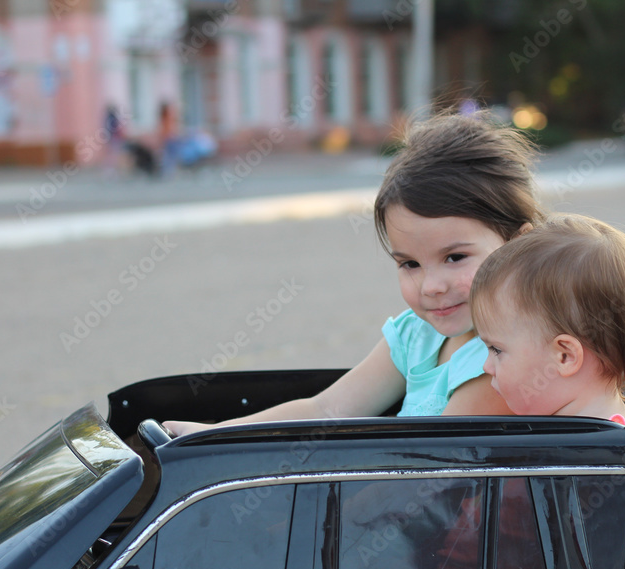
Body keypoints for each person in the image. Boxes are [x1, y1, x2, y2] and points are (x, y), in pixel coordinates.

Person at [163, 110, 543, 437]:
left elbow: (431, 466)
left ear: (518, 244)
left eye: (455, 257)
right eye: (410, 264)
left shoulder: (505, 360)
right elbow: (326, 409)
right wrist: (215, 435)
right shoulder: (417, 335)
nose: (431, 287)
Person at [470, 213, 625, 426]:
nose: (486, 367)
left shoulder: (595, 446)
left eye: (496, 350)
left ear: (564, 356)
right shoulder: (574, 435)